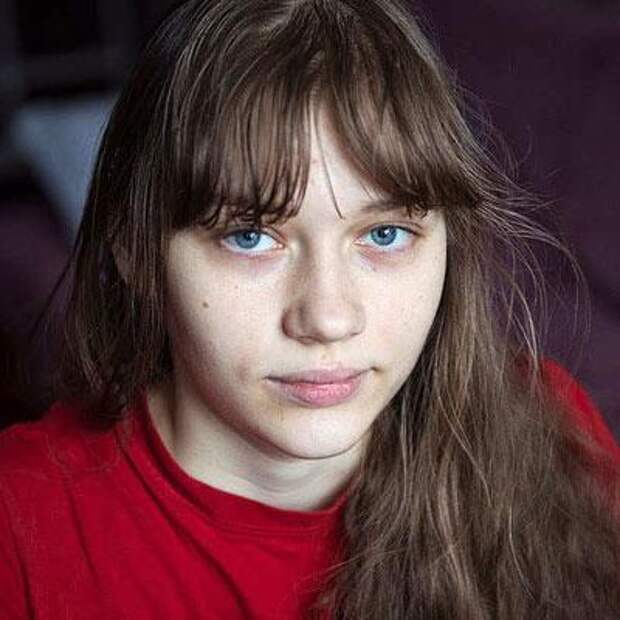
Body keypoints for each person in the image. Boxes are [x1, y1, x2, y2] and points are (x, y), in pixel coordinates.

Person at [1, 0, 619, 618]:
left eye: (385, 235)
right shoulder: (20, 528)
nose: (328, 319)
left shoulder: (550, 425)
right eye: (250, 237)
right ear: (135, 253)